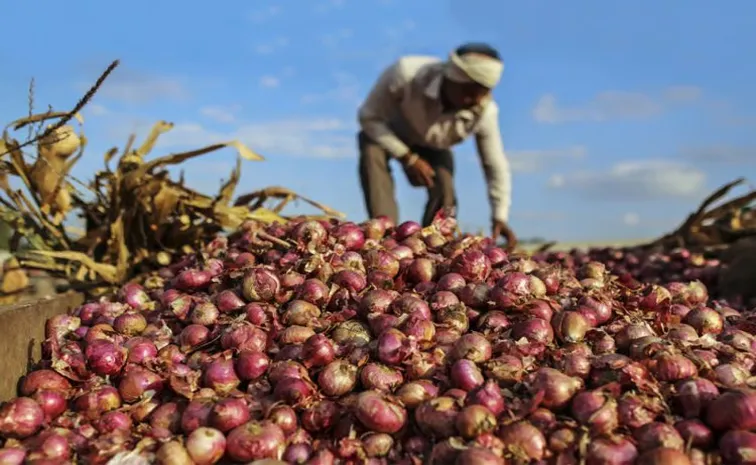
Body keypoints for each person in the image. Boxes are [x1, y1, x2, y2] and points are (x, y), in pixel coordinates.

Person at [356, 42, 517, 249]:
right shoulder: (406, 73)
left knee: (445, 192)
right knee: (371, 152)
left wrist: (499, 216)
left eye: (483, 92)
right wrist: (407, 157)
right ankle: (384, 239)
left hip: (435, 146)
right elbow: (368, 118)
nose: (474, 99)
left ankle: (432, 248)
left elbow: (494, 164)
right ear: (452, 77)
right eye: (468, 90)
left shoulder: (485, 111)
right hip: (391, 133)